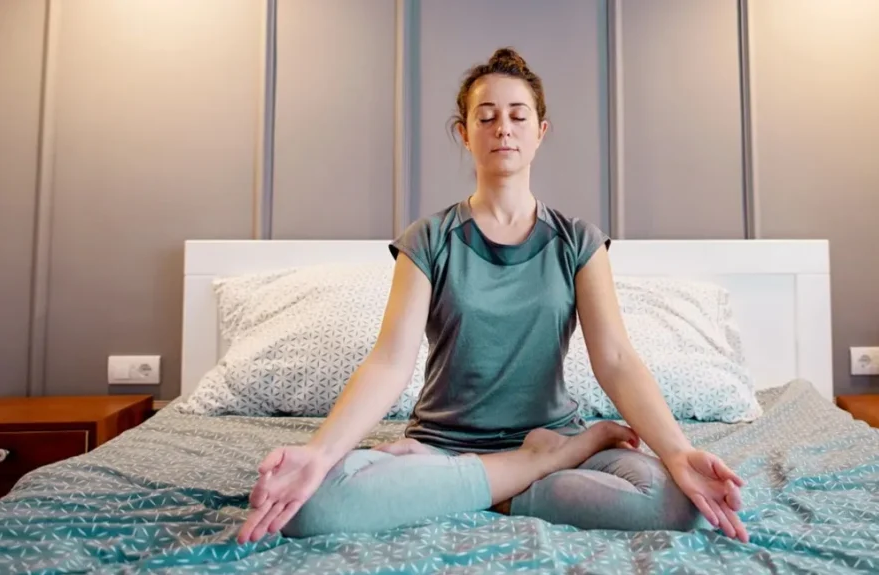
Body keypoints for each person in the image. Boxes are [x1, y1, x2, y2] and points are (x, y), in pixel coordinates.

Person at [236, 47, 748, 545]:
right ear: (464, 133)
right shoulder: (429, 238)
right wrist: (319, 454)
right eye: (486, 116)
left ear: (540, 132)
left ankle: (492, 481)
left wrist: (679, 454)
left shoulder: (578, 241)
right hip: (444, 448)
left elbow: (615, 359)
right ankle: (531, 468)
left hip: (556, 436)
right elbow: (390, 363)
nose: (503, 127)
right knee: (309, 505)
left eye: (517, 115)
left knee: (678, 504)